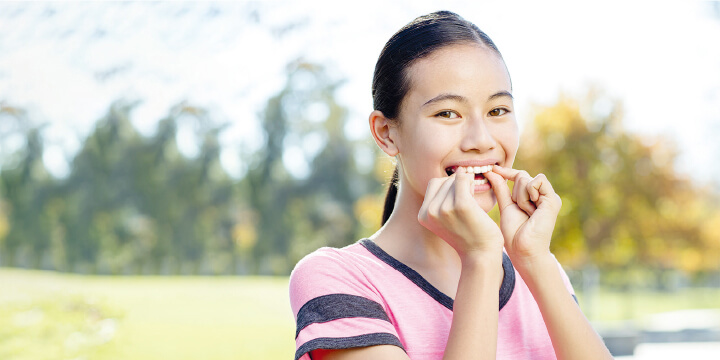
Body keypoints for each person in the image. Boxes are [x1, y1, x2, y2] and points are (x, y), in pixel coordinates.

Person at [289, 10, 612, 360]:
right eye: (448, 113)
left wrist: (535, 261)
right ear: (386, 133)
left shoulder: (538, 271)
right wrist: (480, 260)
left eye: (498, 110)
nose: (481, 140)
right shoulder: (337, 279)